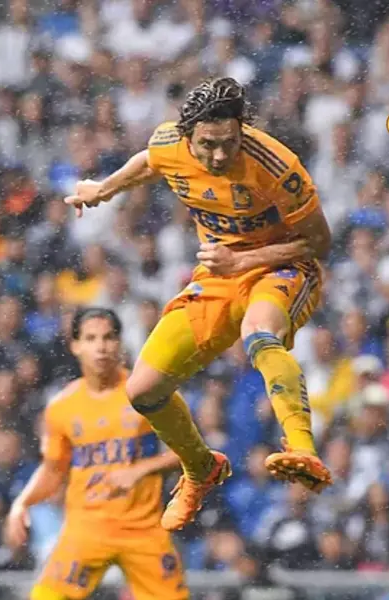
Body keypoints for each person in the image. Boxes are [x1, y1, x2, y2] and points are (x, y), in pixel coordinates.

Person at [63, 77, 334, 530]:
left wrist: (243, 258)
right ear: (188, 134)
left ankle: (302, 446)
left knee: (258, 331)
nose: (219, 156)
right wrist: (104, 190)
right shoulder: (170, 142)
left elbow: (318, 242)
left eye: (229, 143)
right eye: (208, 144)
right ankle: (200, 467)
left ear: (241, 132)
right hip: (217, 276)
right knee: (142, 390)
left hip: (280, 269)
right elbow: (150, 163)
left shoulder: (277, 166)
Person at [3, 307, 187, 600]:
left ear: (119, 342)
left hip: (143, 528)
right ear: (75, 345)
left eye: (108, 337)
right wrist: (22, 503)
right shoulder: (61, 407)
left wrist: (141, 469)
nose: (100, 347)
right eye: (90, 338)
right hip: (86, 527)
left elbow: (190, 452)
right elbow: (53, 470)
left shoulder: (148, 391)